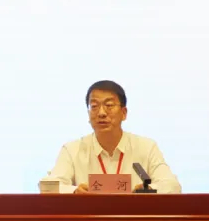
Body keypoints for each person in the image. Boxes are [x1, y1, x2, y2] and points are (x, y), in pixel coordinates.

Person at [44, 80, 181, 194]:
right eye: (94, 106)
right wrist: (74, 191)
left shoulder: (146, 147)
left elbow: (173, 186)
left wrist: (149, 190)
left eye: (109, 105)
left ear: (124, 113)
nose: (101, 113)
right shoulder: (72, 149)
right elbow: (48, 187)